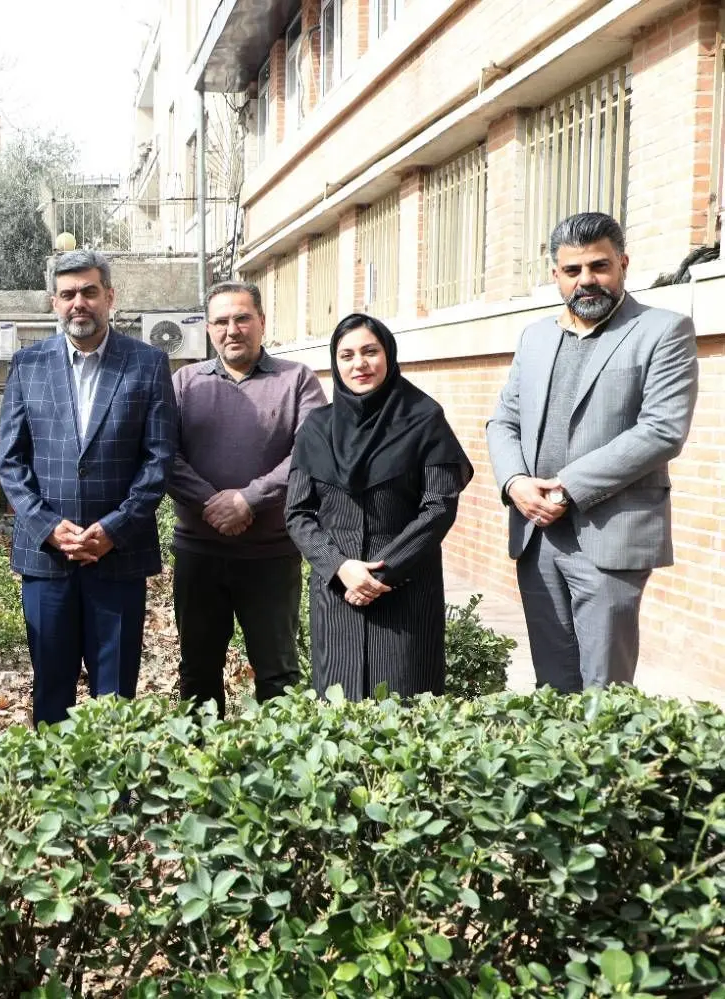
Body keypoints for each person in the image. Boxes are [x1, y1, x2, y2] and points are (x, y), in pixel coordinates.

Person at [486, 212, 699, 690]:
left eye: (599, 266)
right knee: (551, 685)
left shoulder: (663, 330)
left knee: (603, 688)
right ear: (556, 275)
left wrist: (566, 488)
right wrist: (515, 483)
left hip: (610, 536)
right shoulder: (536, 337)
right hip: (537, 536)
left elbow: (662, 430)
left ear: (622, 263)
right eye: (572, 270)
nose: (586, 280)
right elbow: (504, 421)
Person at [0, 249, 178, 725]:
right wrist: (48, 527)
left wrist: (114, 529)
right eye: (68, 294)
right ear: (53, 303)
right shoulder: (28, 364)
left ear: (109, 297)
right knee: (51, 692)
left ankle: (112, 776)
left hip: (118, 557)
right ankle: (51, 775)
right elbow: (11, 461)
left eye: (89, 292)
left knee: (115, 698)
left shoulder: (148, 364)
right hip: (47, 558)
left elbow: (159, 459)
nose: (79, 303)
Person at [286, 314, 472, 700]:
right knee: (337, 709)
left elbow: (439, 506)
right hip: (337, 591)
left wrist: (379, 575)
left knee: (405, 707)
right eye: (347, 355)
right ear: (335, 363)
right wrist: (340, 567)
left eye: (370, 351)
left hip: (405, 588)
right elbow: (298, 513)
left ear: (388, 354)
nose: (360, 364)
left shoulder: (424, 419)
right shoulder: (317, 428)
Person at [168, 281, 327, 711]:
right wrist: (210, 502)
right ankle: (200, 753)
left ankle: (280, 753)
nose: (232, 329)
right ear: (208, 328)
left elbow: (310, 454)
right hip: (199, 555)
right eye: (221, 321)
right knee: (198, 671)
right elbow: (164, 455)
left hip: (270, 556)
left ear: (262, 322)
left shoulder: (297, 380)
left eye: (242, 318)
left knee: (278, 673)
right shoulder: (184, 383)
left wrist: (248, 499)